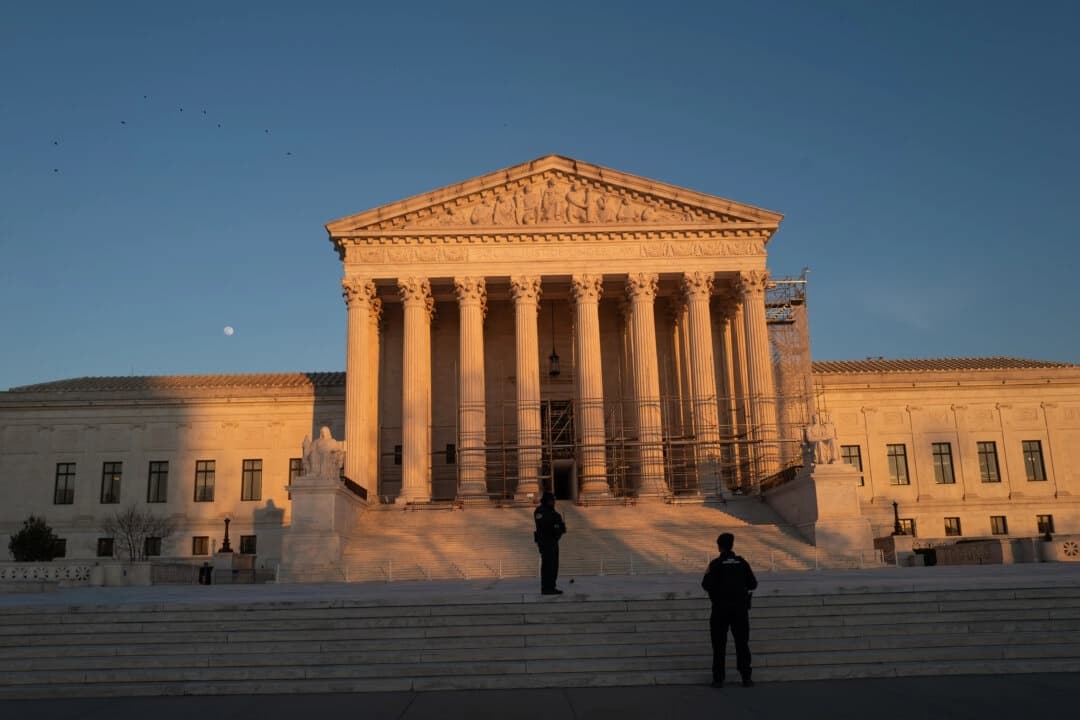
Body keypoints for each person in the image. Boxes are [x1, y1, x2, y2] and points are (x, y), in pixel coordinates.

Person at [701, 532, 758, 688]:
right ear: (732, 545)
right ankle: (746, 677)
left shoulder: (715, 564)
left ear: (719, 546)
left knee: (719, 645)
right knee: (742, 643)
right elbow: (753, 584)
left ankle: (718, 678)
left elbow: (705, 584)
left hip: (720, 610)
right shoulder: (742, 563)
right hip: (740, 610)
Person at [534, 491, 566, 595]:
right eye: (551, 500)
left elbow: (559, 527)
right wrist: (555, 525)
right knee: (547, 565)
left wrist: (559, 528)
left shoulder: (554, 513)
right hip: (545, 542)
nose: (553, 502)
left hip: (553, 541)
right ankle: (546, 587)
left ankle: (552, 586)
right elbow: (544, 525)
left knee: (554, 565)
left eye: (553, 500)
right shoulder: (540, 511)